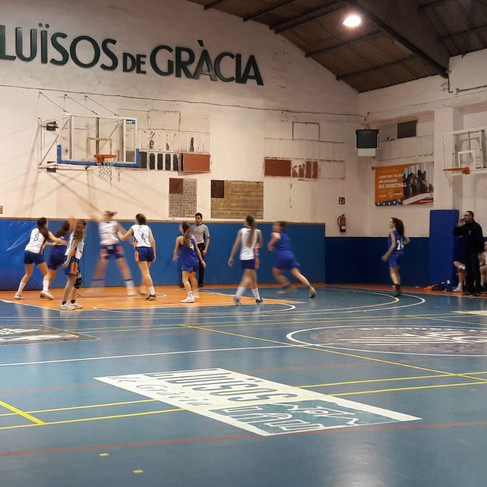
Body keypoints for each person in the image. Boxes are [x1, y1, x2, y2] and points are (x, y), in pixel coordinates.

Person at [14, 217, 64, 300]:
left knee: (28, 273)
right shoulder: (47, 232)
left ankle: (18, 293)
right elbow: (55, 239)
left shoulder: (34, 230)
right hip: (36, 253)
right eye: (47, 222)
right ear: (45, 223)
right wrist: (63, 241)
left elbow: (39, 242)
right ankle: (45, 290)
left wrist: (51, 244)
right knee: (47, 274)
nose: (48, 223)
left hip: (27, 251)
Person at [267, 221, 316, 298]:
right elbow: (281, 243)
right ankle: (310, 287)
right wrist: (274, 246)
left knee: (276, 273)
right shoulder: (286, 236)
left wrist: (270, 244)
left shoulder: (275, 233)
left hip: (282, 256)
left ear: (280, 227)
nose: (273, 226)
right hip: (291, 256)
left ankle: (287, 286)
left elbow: (276, 237)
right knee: (297, 274)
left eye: (276, 225)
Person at [92, 211, 135, 295]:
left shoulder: (115, 224)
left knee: (123, 265)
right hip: (105, 247)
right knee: (100, 267)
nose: (104, 217)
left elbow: (123, 232)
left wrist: (132, 240)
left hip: (115, 246)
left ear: (109, 217)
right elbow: (92, 214)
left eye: (105, 215)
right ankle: (96, 286)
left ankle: (130, 287)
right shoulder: (101, 223)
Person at [119, 213, 157, 300]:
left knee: (146, 273)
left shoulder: (134, 227)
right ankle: (145, 288)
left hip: (140, 250)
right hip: (149, 249)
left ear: (137, 220)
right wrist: (154, 253)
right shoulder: (147, 228)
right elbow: (153, 241)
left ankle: (152, 293)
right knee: (146, 272)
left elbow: (123, 238)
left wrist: (119, 235)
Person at [228, 215, 263, 305]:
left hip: (243, 258)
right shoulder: (258, 232)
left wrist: (231, 257)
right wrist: (255, 246)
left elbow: (236, 245)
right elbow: (260, 244)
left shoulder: (242, 231)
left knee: (253, 278)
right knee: (247, 279)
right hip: (250, 258)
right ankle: (237, 297)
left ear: (247, 222)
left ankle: (258, 298)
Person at [173, 221, 206, 303]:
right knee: (192, 277)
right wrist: (202, 260)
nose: (179, 227)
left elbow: (176, 250)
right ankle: (195, 294)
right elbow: (197, 250)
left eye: (180, 226)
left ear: (182, 228)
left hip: (187, 261)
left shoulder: (179, 239)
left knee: (184, 280)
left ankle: (190, 296)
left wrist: (175, 256)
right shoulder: (193, 237)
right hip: (195, 261)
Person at [453, 211, 484, 296]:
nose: (465, 217)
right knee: (469, 271)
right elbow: (455, 234)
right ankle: (469, 289)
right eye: (464, 215)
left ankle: (478, 289)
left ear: (471, 216)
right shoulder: (465, 226)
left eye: (467, 215)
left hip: (474, 251)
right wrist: (458, 226)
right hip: (467, 251)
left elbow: (480, 239)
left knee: (475, 271)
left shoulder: (476, 226)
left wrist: (480, 252)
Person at [60, 219, 87, 310]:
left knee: (78, 279)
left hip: (74, 259)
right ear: (85, 227)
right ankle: (64, 303)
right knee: (71, 281)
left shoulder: (76, 234)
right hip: (72, 258)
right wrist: (68, 261)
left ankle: (73, 301)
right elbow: (72, 248)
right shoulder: (78, 235)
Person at [382, 217, 410, 297]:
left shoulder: (392, 233)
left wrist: (387, 254)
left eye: (390, 222)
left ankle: (397, 287)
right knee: (396, 272)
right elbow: (408, 240)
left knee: (392, 272)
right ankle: (399, 288)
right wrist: (401, 245)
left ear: (394, 224)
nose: (388, 223)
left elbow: (393, 245)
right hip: (401, 252)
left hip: (394, 254)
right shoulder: (400, 232)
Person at [46, 220, 71, 286]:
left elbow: (53, 241)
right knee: (72, 274)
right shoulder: (69, 235)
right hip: (62, 255)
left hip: (53, 255)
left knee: (50, 275)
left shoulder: (58, 233)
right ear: (68, 227)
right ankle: (71, 289)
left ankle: (45, 289)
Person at [191, 212, 210, 287]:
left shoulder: (205, 227)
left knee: (201, 264)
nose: (197, 220)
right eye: (196, 218)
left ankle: (200, 281)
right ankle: (190, 280)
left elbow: (207, 238)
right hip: (193, 245)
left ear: (201, 219)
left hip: (200, 245)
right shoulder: (192, 227)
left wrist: (206, 249)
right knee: (192, 263)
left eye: (198, 218)